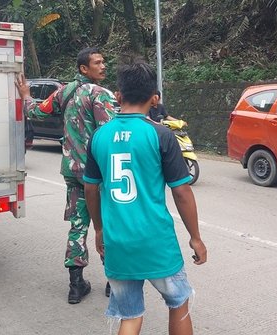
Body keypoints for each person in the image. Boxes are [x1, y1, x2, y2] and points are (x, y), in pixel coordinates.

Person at [83, 59, 207, 335]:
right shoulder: (161, 135)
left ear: (117, 96)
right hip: (156, 241)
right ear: (155, 98)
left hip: (117, 240)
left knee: (130, 315)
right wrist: (195, 237)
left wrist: (100, 230)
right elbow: (182, 191)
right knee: (179, 303)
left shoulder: (99, 136)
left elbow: (90, 189)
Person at [15, 47, 117, 304]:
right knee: (108, 224)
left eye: (103, 61)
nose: (103, 66)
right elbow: (112, 135)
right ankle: (115, 281)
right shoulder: (100, 95)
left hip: (72, 171)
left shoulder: (64, 91)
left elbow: (35, 112)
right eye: (98, 62)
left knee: (79, 224)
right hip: (99, 175)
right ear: (84, 68)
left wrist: (26, 95)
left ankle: (76, 285)